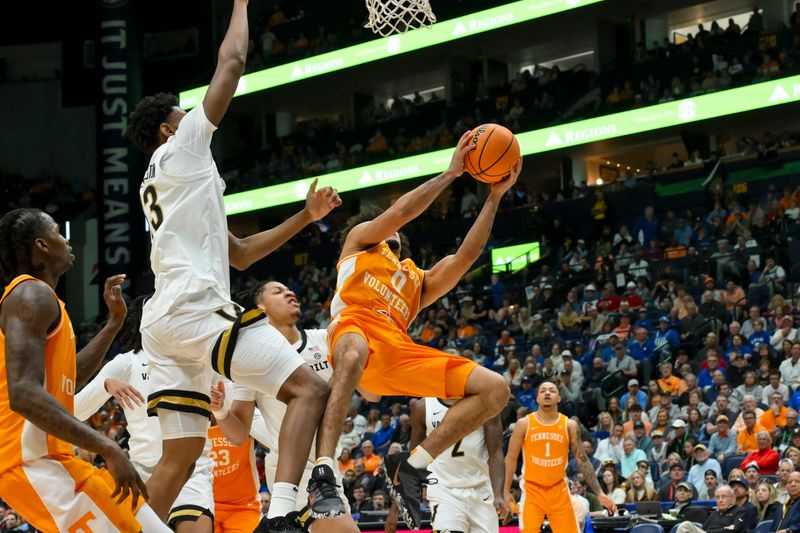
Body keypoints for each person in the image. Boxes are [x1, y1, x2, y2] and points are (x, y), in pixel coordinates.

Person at [125, 0, 343, 525]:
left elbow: (241, 253)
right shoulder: (184, 148)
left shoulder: (160, 181)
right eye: (182, 113)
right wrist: (241, 3)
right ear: (166, 128)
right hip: (195, 309)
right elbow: (233, 63)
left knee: (179, 457)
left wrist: (305, 217)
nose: (192, 115)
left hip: (161, 323)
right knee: (310, 388)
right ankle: (285, 512)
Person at [311, 136, 522, 527]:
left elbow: (466, 256)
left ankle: (412, 466)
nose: (390, 229)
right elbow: (401, 211)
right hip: (352, 330)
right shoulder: (360, 244)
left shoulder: (415, 280)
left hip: (396, 352)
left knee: (496, 390)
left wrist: (494, 196)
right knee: (355, 350)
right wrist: (452, 173)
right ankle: (325, 471)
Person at [0, 208, 169, 531]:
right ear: (42, 246)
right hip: (31, 461)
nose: (66, 240)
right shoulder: (31, 293)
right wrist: (106, 446)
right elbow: (22, 394)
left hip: (54, 460)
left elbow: (68, 377)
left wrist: (114, 324)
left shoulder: (43, 300)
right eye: (57, 232)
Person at [207, 281, 359, 532]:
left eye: (289, 289)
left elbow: (370, 393)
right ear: (260, 309)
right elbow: (238, 434)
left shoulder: (325, 340)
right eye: (277, 292)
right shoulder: (254, 359)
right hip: (292, 471)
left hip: (327, 467)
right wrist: (221, 409)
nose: (290, 292)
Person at [74, 296, 215, 531]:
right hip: (142, 473)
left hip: (192, 469)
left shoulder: (197, 357)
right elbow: (74, 410)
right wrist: (105, 385)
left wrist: (221, 406)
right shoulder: (127, 362)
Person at [504, 380, 615, 532]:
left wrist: (600, 493)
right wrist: (504, 491)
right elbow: (510, 458)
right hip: (532, 491)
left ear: (559, 398)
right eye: (543, 391)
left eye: (552, 390)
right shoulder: (524, 424)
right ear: (537, 398)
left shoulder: (569, 425)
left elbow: (582, 459)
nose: (547, 393)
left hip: (559, 491)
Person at [393, 396, 508, 532]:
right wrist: (397, 506)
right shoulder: (423, 407)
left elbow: (496, 453)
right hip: (443, 490)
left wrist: (499, 494)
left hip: (481, 490)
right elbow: (413, 457)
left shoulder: (486, 402)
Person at [674, 485, 747, 533]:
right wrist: (724, 528)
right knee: (685, 525)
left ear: (732, 499)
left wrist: (712, 531)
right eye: (718, 497)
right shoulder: (714, 513)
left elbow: (734, 530)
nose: (720, 500)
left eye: (724, 496)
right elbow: (704, 529)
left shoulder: (739, 511)